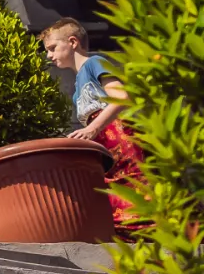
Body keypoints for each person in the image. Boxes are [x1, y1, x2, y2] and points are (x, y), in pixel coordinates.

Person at [42, 16, 144, 227]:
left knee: (135, 188)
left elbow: (121, 97)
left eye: (52, 48)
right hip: (104, 146)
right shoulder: (77, 87)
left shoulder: (94, 63)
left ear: (72, 42)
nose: (49, 55)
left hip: (118, 137)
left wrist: (92, 128)